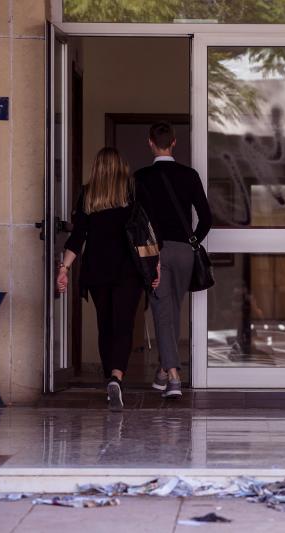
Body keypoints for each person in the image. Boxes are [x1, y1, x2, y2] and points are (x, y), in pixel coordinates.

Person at [57, 147, 157, 411]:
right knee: (124, 325)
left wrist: (64, 268)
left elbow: (78, 237)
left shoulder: (88, 195)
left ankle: (108, 381)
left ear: (97, 168)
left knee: (106, 326)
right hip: (128, 271)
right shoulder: (133, 191)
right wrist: (156, 267)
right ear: (121, 166)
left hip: (97, 269)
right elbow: (146, 232)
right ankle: (116, 377)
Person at [135, 122, 212, 398]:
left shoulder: (141, 177)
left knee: (162, 310)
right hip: (184, 252)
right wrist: (193, 242)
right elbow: (206, 217)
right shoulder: (189, 175)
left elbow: (137, 222)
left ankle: (175, 376)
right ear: (174, 142)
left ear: (150, 143)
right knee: (171, 309)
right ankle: (162, 370)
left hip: (155, 251)